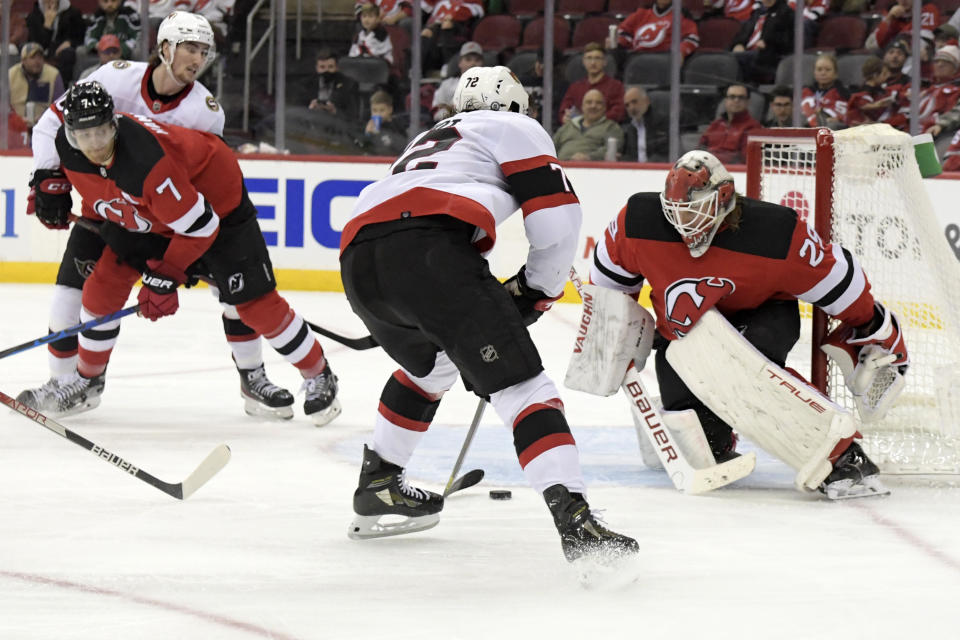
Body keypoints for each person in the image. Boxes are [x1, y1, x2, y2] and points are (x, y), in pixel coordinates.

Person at [339, 65, 638, 562]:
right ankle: (577, 521)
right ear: (517, 104)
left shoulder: (432, 135)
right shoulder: (515, 127)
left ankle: (380, 481)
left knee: (431, 366)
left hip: (358, 257)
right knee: (523, 386)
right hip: (428, 251)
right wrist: (537, 290)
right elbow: (557, 218)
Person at [20, 12, 299, 421]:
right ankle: (68, 384)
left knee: (233, 295)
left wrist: (180, 257)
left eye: (204, 51)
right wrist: (47, 175)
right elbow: (52, 124)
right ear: (164, 48)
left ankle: (252, 377)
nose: (197, 59)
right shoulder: (114, 79)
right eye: (190, 48)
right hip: (110, 209)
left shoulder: (206, 112)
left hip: (168, 220)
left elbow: (210, 179)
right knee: (69, 293)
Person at [588, 150, 908, 498]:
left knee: (742, 370)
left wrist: (872, 325)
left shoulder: (774, 233)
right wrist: (612, 335)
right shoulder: (637, 221)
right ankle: (720, 439)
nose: (684, 222)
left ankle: (845, 456)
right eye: (675, 210)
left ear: (723, 197)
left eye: (693, 210)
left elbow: (844, 284)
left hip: (763, 317)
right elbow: (609, 293)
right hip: (685, 336)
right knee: (701, 444)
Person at [39, 81, 342, 426]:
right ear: (69, 132)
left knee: (255, 305)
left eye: (101, 132)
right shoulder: (67, 146)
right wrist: (49, 187)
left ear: (114, 124)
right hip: (157, 214)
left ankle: (318, 373)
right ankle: (87, 381)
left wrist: (166, 275)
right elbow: (101, 183)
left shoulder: (146, 164)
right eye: (84, 134)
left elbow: (202, 226)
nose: (93, 144)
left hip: (218, 211)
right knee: (103, 285)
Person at [557, 43, 625, 125]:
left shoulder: (616, 86)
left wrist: (592, 121)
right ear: (583, 62)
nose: (593, 63)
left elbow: (619, 112)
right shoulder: (575, 87)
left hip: (604, 129)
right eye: (589, 58)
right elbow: (564, 110)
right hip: (577, 130)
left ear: (605, 62)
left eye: (597, 58)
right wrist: (565, 117)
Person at [731, 0, 795, 85]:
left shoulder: (786, 13)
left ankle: (739, 87)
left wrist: (768, 43)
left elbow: (786, 41)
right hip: (747, 50)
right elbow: (744, 32)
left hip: (768, 54)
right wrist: (739, 44)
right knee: (726, 57)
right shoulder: (757, 12)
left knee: (736, 59)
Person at [698, 83, 761, 165]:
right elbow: (700, 149)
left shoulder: (753, 127)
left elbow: (744, 159)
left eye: (741, 97)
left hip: (735, 173)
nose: (736, 100)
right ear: (726, 100)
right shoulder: (716, 124)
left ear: (748, 102)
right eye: (732, 97)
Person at [553, 89, 624, 161]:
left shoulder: (611, 127)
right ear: (582, 107)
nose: (593, 106)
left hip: (592, 169)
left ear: (604, 108)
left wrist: (589, 157)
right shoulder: (567, 127)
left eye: (598, 103)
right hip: (560, 168)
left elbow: (611, 150)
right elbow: (550, 148)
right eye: (589, 102)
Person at [25, 0, 88, 82]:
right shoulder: (33, 16)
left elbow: (80, 37)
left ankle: (62, 89)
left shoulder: (73, 13)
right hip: (43, 53)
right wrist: (47, 25)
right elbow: (36, 45)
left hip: (63, 53)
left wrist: (70, 43)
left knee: (68, 54)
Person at [615, 0, 700, 60]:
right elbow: (623, 32)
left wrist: (681, 51)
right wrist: (619, 41)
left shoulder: (682, 15)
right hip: (636, 57)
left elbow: (691, 38)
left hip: (663, 59)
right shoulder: (642, 12)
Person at [8, 41, 64, 128]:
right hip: (15, 126)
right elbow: (4, 105)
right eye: (32, 57)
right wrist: (16, 119)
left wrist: (46, 118)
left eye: (40, 57)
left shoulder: (53, 75)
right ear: (23, 60)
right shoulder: (11, 74)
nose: (37, 61)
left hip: (45, 126)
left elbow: (60, 106)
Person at [431, 41, 483, 121]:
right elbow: (436, 114)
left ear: (482, 63)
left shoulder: (490, 85)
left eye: (477, 60)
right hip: (453, 128)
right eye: (468, 59)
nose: (473, 63)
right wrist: (454, 110)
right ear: (460, 63)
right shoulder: (447, 85)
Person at [308, 49, 361, 123]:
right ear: (316, 68)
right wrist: (310, 110)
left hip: (337, 127)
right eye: (322, 67)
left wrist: (335, 111)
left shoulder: (349, 84)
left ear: (337, 68)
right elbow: (297, 112)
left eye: (330, 67)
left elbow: (353, 116)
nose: (326, 71)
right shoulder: (306, 84)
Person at [866, 0, 941, 51]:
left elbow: (924, 44)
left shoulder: (928, 9)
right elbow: (871, 45)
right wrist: (889, 18)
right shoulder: (891, 13)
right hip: (896, 59)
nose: (904, 0)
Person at [800, 53, 849, 129]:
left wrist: (838, 119)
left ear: (835, 73)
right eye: (819, 69)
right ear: (814, 72)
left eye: (828, 70)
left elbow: (846, 116)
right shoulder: (805, 92)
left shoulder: (844, 94)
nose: (823, 73)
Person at [620, 85, 667, 162]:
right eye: (627, 105)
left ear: (647, 101)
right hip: (637, 171)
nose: (631, 108)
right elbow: (631, 156)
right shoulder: (631, 128)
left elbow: (665, 154)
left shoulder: (662, 122)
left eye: (634, 102)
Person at [845, 57, 895, 127]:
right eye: (884, 74)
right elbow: (863, 105)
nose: (888, 75)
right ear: (875, 75)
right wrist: (877, 105)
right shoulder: (864, 92)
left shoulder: (880, 89)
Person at [361, 89, 407, 156]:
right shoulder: (369, 126)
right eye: (374, 110)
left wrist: (380, 134)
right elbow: (365, 149)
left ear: (390, 110)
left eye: (382, 110)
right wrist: (367, 134)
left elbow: (402, 146)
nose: (378, 114)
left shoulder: (397, 125)